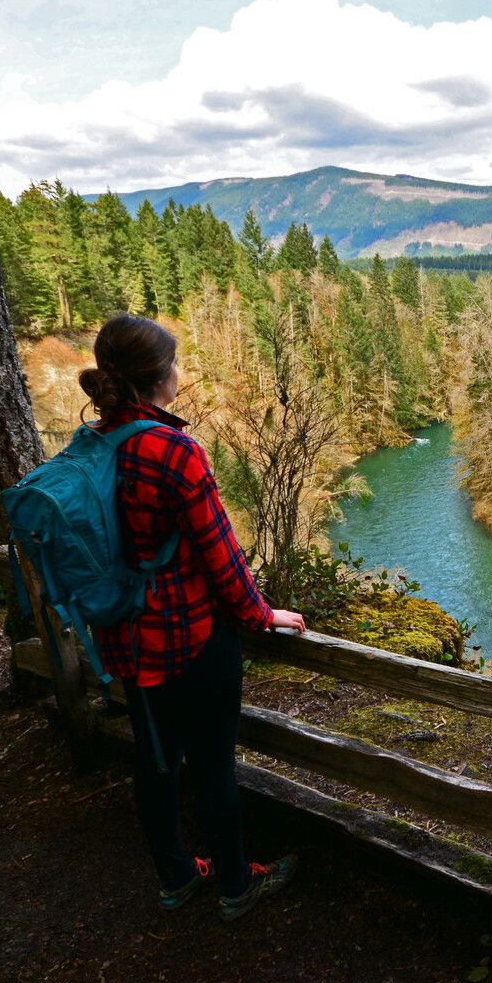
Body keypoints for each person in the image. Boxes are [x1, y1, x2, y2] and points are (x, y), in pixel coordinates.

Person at [77, 312, 305, 920]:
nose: (179, 371)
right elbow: (221, 558)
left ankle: (176, 879)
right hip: (191, 640)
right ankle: (236, 886)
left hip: (126, 638)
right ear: (158, 377)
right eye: (174, 362)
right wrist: (263, 616)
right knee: (212, 767)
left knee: (154, 762)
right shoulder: (172, 450)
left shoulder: (93, 444)